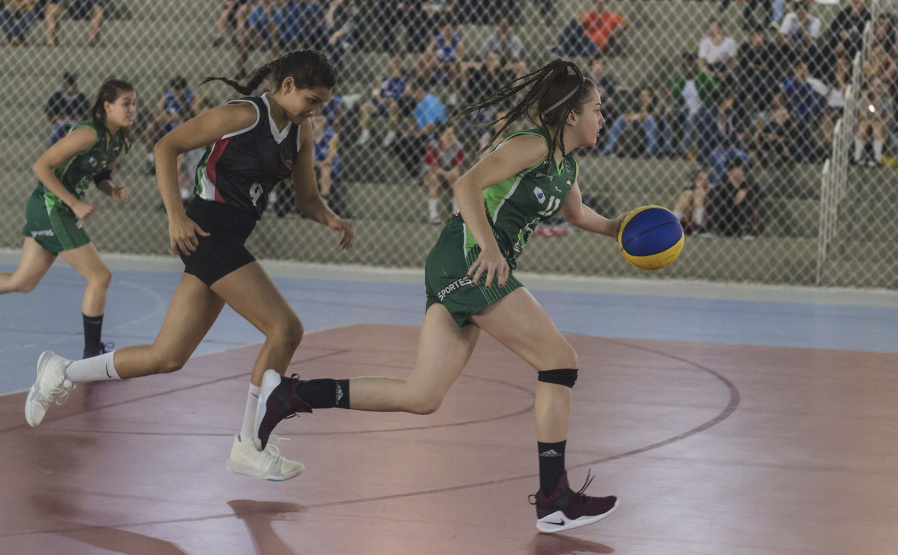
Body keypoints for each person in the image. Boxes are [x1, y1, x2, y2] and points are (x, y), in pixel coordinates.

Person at [252, 59, 624, 534]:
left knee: (422, 395)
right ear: (571, 115)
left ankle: (290, 394)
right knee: (559, 361)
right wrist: (489, 246)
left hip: (467, 264)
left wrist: (618, 228)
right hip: (468, 259)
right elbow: (465, 184)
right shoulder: (532, 145)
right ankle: (555, 497)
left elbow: (576, 214)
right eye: (597, 109)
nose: (602, 117)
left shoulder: (565, 164)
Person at [24, 50, 355, 484]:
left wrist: (332, 218)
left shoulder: (300, 130)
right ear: (288, 85)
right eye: (312, 100)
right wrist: (175, 215)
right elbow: (167, 146)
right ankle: (249, 445)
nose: (316, 110)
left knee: (167, 356)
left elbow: (307, 198)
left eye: (322, 104)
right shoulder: (244, 115)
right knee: (285, 329)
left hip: (229, 238)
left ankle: (61, 370)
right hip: (206, 230)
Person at [1, 80, 134, 359]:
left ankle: (92, 353)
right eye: (126, 103)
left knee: (21, 283)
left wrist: (111, 190)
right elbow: (41, 166)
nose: (132, 109)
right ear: (107, 106)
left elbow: (100, 174)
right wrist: (74, 203)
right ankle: (91, 355)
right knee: (100, 276)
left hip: (57, 208)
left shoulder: (119, 140)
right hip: (51, 206)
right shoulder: (88, 133)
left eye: (134, 103)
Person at [392, 77, 447, 179]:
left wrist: (411, 134)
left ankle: (416, 174)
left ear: (417, 91)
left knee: (399, 145)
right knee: (399, 142)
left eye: (412, 91)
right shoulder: (420, 103)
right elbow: (414, 120)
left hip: (433, 136)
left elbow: (430, 128)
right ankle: (416, 171)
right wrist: (408, 133)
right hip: (423, 135)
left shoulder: (429, 102)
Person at [144, 77, 201, 175]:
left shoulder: (193, 97)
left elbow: (198, 116)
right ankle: (151, 160)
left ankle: (176, 167)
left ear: (185, 90)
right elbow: (155, 116)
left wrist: (180, 117)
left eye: (179, 93)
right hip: (168, 127)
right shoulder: (167, 97)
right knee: (150, 127)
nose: (176, 96)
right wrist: (163, 117)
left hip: (185, 128)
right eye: (175, 92)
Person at [356, 53, 411, 147]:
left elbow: (407, 93)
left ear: (403, 63)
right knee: (365, 107)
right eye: (394, 62)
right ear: (390, 62)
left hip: (396, 103)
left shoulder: (407, 78)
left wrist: (393, 100)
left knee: (394, 105)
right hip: (381, 103)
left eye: (398, 62)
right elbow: (375, 92)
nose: (396, 64)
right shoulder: (382, 78)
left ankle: (391, 134)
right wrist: (380, 100)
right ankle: (365, 135)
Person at [422, 123, 465, 223]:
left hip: (448, 173)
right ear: (440, 135)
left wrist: (450, 174)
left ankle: (456, 214)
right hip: (432, 173)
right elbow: (434, 168)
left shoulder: (458, 146)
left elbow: (457, 170)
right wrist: (448, 174)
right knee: (434, 179)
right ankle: (433, 215)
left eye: (453, 133)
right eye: (448, 134)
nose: (451, 137)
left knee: (457, 180)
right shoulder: (433, 145)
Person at [554, 0, 628, 58]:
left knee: (588, 42)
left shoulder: (611, 16)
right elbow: (577, 23)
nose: (599, 5)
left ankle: (562, 48)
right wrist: (579, 20)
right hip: (582, 43)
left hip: (595, 46)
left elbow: (626, 23)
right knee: (575, 24)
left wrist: (616, 31)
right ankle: (562, 46)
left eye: (601, 3)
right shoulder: (588, 15)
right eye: (597, 2)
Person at [707, 155, 757, 237]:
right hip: (725, 222)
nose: (730, 171)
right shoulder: (722, 188)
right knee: (716, 193)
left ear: (741, 170)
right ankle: (713, 229)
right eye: (729, 169)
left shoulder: (750, 185)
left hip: (741, 221)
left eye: (734, 168)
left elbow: (758, 192)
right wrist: (735, 187)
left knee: (747, 194)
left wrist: (743, 191)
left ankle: (746, 230)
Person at [853, 75, 892, 166]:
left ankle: (877, 158)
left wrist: (878, 100)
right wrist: (865, 99)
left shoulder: (887, 101)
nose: (876, 89)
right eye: (873, 86)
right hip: (866, 126)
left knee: (876, 125)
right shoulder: (865, 99)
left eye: (879, 86)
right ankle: (857, 157)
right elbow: (862, 116)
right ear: (869, 87)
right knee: (863, 124)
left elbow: (886, 119)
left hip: (881, 129)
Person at [46, 72, 90, 147]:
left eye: (71, 84)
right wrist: (62, 117)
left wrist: (78, 119)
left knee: (75, 133)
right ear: (64, 84)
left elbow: (85, 118)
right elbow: (50, 117)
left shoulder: (81, 98)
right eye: (67, 84)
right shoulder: (57, 97)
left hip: (75, 125)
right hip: (60, 124)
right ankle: (52, 150)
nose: (69, 87)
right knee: (56, 134)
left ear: (75, 85)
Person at [698, 17, 737, 87]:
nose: (713, 29)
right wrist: (711, 74)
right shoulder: (705, 42)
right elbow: (701, 63)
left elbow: (733, 62)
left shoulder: (730, 42)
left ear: (721, 29)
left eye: (715, 27)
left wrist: (724, 73)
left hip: (724, 69)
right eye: (711, 27)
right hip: (710, 69)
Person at [672, 167, 711, 234]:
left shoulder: (712, 191)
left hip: (703, 223)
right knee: (688, 194)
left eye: (706, 179)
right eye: (700, 179)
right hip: (686, 223)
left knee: (699, 193)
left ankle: (699, 226)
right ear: (695, 181)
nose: (703, 181)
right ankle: (672, 223)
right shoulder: (689, 192)